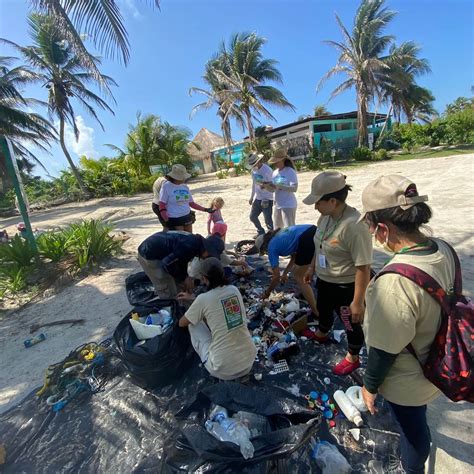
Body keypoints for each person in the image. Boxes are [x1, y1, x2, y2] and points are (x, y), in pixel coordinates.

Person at [359, 175, 453, 474]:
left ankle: (412, 469)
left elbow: (385, 350)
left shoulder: (394, 282)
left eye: (372, 229)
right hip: (438, 360)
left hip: (409, 379)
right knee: (417, 418)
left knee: (413, 433)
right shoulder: (443, 249)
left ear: (383, 229)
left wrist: (369, 386)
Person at [303, 171, 372, 376]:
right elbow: (320, 244)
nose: (315, 206)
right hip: (324, 279)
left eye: (318, 202)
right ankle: (322, 332)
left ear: (332, 201)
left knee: (350, 322)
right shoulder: (325, 218)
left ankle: (353, 356)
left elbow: (363, 267)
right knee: (323, 308)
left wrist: (357, 302)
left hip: (345, 286)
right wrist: (311, 267)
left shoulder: (354, 226)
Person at [178, 257, 257, 380]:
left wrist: (194, 306)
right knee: (229, 319)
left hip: (222, 369)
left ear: (204, 278)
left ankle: (207, 359)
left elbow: (182, 323)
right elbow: (217, 303)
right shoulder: (234, 290)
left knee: (193, 323)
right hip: (248, 362)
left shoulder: (203, 299)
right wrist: (195, 300)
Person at [254, 225, 319, 318]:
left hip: (307, 238)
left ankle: (316, 312)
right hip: (312, 230)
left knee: (299, 277)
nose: (265, 253)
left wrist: (267, 293)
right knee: (297, 271)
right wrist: (284, 273)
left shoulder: (271, 247)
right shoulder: (278, 236)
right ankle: (305, 293)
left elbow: (276, 278)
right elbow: (295, 256)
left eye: (264, 251)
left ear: (264, 246)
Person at [137, 231, 225, 298]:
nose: (208, 258)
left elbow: (182, 261)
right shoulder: (189, 246)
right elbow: (167, 263)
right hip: (150, 255)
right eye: (210, 255)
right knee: (166, 287)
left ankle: (180, 302)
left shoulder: (195, 243)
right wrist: (184, 278)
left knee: (178, 283)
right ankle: (171, 311)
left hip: (161, 253)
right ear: (207, 249)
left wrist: (185, 278)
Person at [158, 164, 213, 232]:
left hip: (187, 216)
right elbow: (161, 205)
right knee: (181, 239)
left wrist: (205, 209)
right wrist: (166, 221)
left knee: (189, 237)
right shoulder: (166, 187)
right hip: (175, 218)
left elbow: (191, 203)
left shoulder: (185, 187)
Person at [264, 148, 298, 228]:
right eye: (274, 162)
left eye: (277, 161)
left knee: (289, 229)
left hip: (288, 204)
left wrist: (279, 186)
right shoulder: (275, 172)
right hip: (277, 205)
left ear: (283, 160)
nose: (275, 163)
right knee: (277, 229)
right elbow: (273, 190)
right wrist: (266, 186)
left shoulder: (290, 171)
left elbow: (294, 188)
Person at [247, 153, 274, 238]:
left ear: (259, 161)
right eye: (252, 165)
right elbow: (254, 184)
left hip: (267, 198)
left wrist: (265, 185)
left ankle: (271, 236)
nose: (254, 166)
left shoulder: (267, 170)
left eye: (254, 164)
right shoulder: (253, 171)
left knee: (268, 220)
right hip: (258, 198)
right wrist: (251, 197)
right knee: (252, 216)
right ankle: (261, 231)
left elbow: (274, 184)